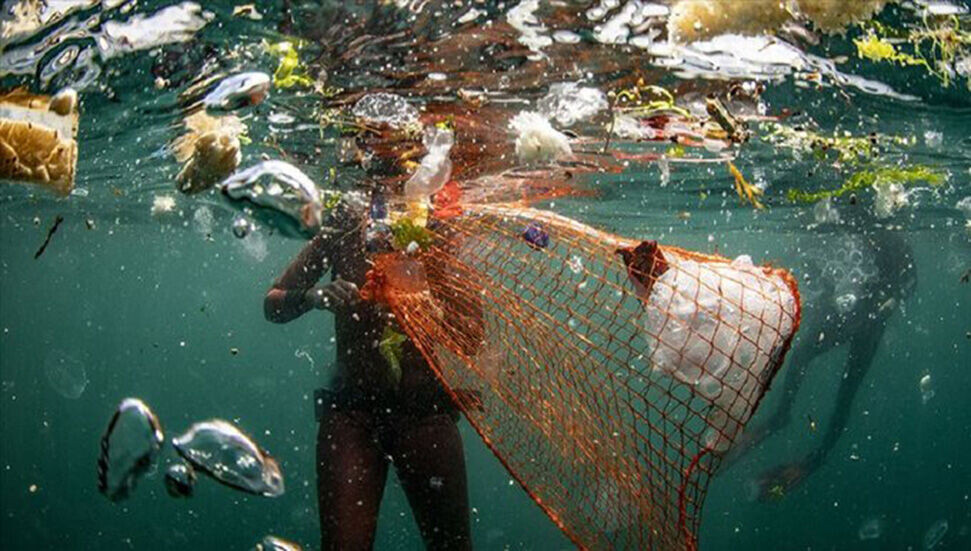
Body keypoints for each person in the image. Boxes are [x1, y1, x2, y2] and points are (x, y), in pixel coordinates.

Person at [263, 190, 473, 550]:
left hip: (425, 410)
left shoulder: (438, 226)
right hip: (352, 412)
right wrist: (313, 297)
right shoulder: (346, 221)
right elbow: (274, 303)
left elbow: (471, 337)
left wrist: (439, 280)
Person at [721, 205, 917, 499]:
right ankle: (784, 423)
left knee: (841, 388)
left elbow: (907, 282)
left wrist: (880, 304)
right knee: (834, 383)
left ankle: (805, 449)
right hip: (853, 312)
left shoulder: (889, 235)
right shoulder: (868, 229)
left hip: (867, 318)